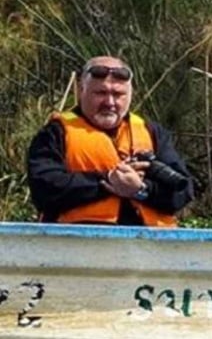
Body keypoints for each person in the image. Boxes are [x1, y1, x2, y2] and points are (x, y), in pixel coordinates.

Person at [26, 56, 195, 225]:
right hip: (79, 244)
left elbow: (183, 192)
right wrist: (109, 181)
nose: (110, 102)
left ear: (130, 95)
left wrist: (140, 189)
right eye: (100, 93)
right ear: (80, 90)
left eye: (118, 94)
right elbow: (44, 190)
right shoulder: (55, 133)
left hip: (147, 246)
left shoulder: (152, 132)